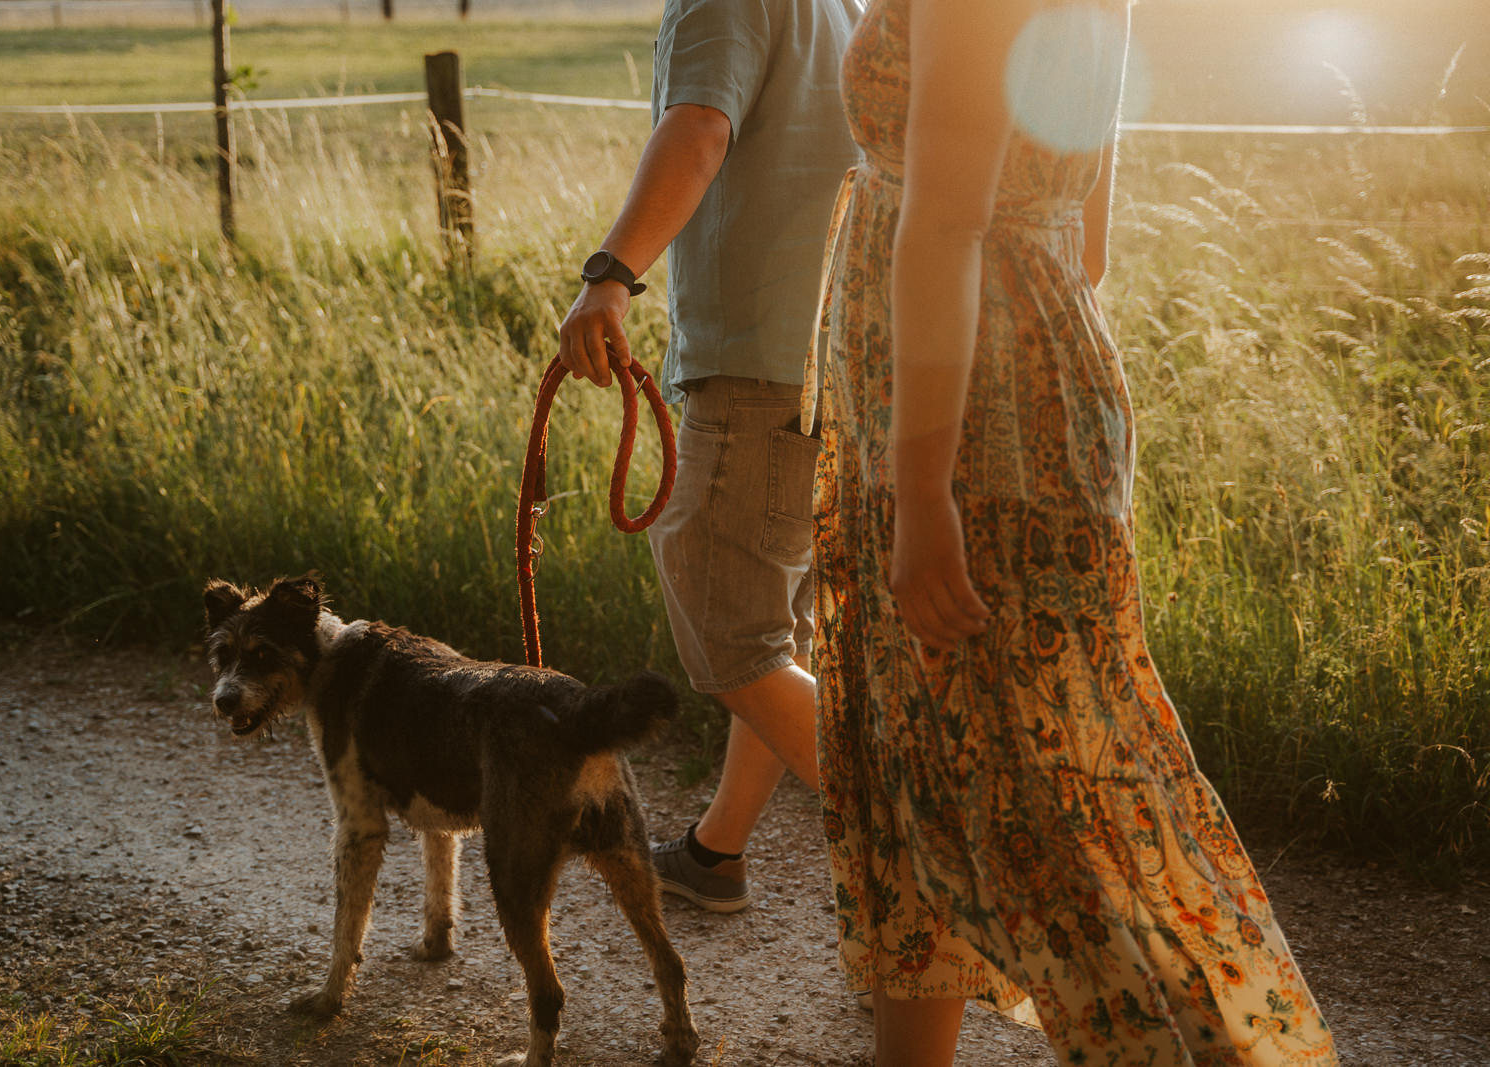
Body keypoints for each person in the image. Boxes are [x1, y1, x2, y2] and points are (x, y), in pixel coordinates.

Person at [810, 0, 1341, 1063]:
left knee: (1035, 801)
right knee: (963, 763)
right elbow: (1083, 237)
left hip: (959, 431)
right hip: (1030, 379)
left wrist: (922, 491)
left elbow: (950, 220)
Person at [556, 0, 860, 914]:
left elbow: (698, 129)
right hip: (832, 358)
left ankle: (927, 850)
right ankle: (715, 852)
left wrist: (610, 275)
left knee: (728, 625)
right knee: (779, 632)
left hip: (757, 361)